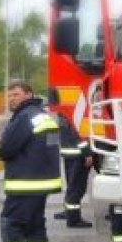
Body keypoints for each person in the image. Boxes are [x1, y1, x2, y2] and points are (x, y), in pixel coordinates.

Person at [0, 80, 62, 242]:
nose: (11, 98)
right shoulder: (42, 115)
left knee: (11, 224)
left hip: (25, 183)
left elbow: (6, 149)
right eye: (9, 95)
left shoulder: (25, 117)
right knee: (34, 226)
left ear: (29, 94)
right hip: (42, 183)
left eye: (16, 94)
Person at [48, 89, 94, 228]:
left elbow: (56, 132)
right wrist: (87, 152)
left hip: (68, 152)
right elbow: (78, 133)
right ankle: (73, 219)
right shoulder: (73, 111)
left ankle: (68, 212)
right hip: (78, 154)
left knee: (71, 185)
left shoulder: (61, 111)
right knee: (77, 188)